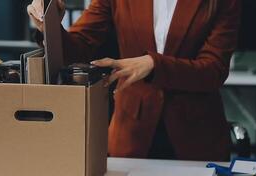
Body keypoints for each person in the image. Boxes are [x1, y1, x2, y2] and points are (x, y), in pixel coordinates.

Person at [27, 0, 241, 161]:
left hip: (197, 137)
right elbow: (78, 48)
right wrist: (50, 24)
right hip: (131, 133)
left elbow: (214, 70)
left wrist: (154, 65)